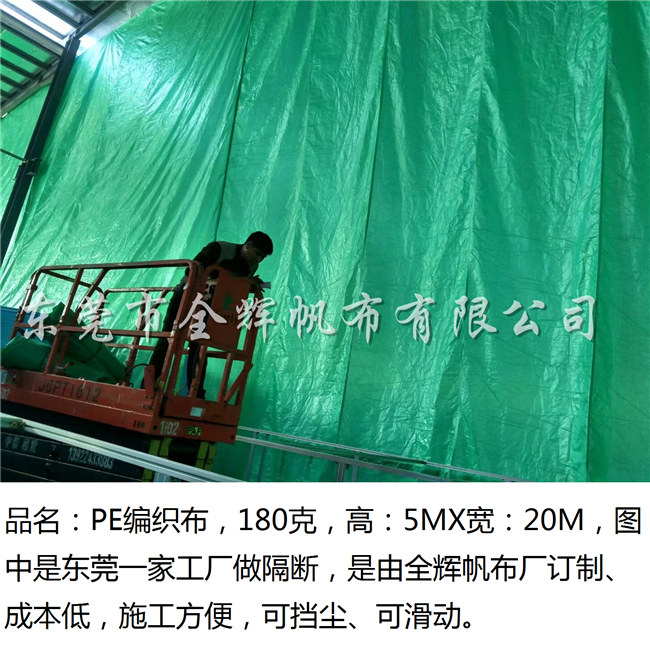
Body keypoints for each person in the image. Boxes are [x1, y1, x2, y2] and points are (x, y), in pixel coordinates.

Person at [148, 231, 273, 394]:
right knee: (168, 339)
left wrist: (249, 283)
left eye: (263, 257)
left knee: (199, 346)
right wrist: (221, 276)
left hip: (208, 305)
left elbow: (232, 286)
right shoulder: (218, 249)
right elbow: (190, 271)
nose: (259, 259)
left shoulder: (252, 266)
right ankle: (149, 385)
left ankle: (195, 392)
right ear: (248, 245)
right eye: (258, 254)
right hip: (185, 297)